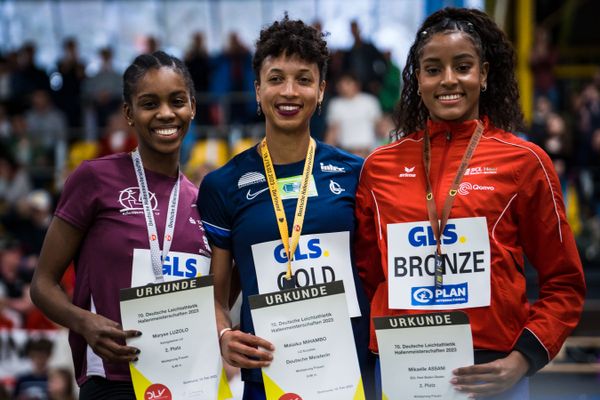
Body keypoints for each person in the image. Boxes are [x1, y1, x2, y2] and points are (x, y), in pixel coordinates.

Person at [354, 7, 585, 400]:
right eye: (433, 68)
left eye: (462, 66)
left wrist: (523, 359)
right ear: (418, 78)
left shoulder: (525, 162)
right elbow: (372, 272)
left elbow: (564, 282)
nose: (448, 80)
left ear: (484, 74)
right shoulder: (379, 167)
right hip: (404, 369)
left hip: (495, 375)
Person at [198, 16, 374, 400]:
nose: (289, 92)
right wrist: (223, 334)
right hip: (269, 379)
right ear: (258, 88)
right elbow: (216, 296)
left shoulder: (357, 174)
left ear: (322, 90)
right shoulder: (222, 185)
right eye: (276, 78)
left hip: (351, 377)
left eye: (304, 79)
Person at [30, 51, 210, 399]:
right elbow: (42, 284)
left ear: (193, 107)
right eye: (149, 103)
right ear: (129, 113)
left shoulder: (201, 201)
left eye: (177, 101)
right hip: (113, 382)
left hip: (188, 382)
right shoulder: (94, 179)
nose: (165, 114)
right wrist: (83, 322)